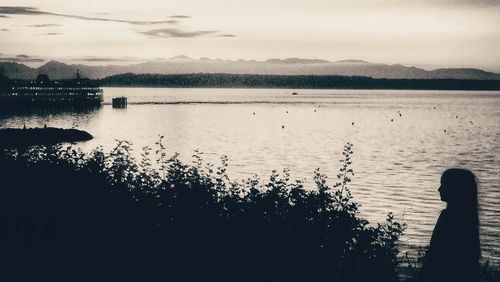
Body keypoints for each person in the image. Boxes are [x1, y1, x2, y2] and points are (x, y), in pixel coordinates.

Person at [421, 168, 480, 282]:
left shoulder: (447, 217)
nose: (439, 189)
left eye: (443, 185)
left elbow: (435, 255)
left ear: (455, 189)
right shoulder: (469, 219)